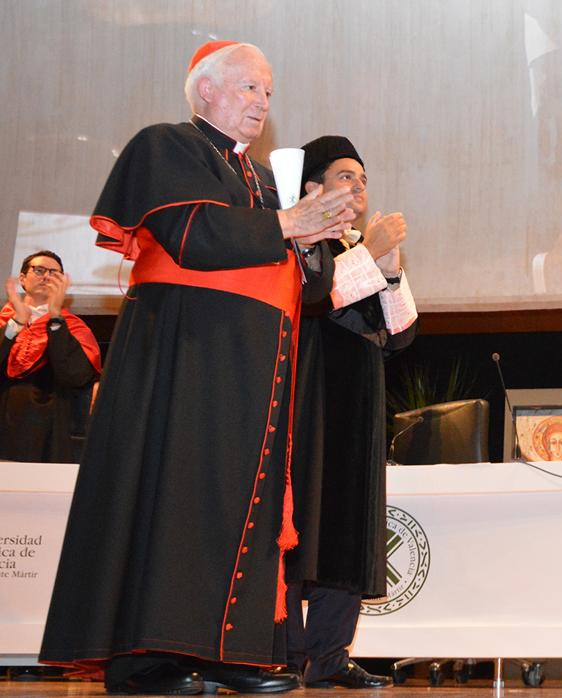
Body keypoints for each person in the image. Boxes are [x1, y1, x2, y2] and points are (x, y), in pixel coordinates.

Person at [38, 41, 356, 695]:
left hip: (252, 369)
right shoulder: (166, 146)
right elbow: (192, 237)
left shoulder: (265, 179)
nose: (262, 103)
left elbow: (311, 290)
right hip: (183, 360)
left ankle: (229, 650)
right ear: (206, 89)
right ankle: (147, 657)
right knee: (176, 499)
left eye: (268, 92)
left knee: (240, 506)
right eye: (249, 88)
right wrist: (287, 226)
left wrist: (317, 242)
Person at [284, 135, 418, 690]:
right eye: (345, 177)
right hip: (309, 392)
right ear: (312, 187)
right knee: (302, 520)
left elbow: (403, 334)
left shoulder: (362, 242)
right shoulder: (298, 236)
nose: (358, 188)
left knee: (347, 522)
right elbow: (312, 299)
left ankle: (330, 657)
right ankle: (285, 653)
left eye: (362, 180)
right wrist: (369, 254)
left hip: (359, 395)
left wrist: (386, 267)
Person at [1, 251, 100, 462]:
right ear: (22, 279)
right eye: (39, 270)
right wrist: (17, 322)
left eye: (54, 273)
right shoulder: (5, 321)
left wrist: (55, 317)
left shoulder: (72, 326)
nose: (46, 276)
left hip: (46, 429)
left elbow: (76, 376)